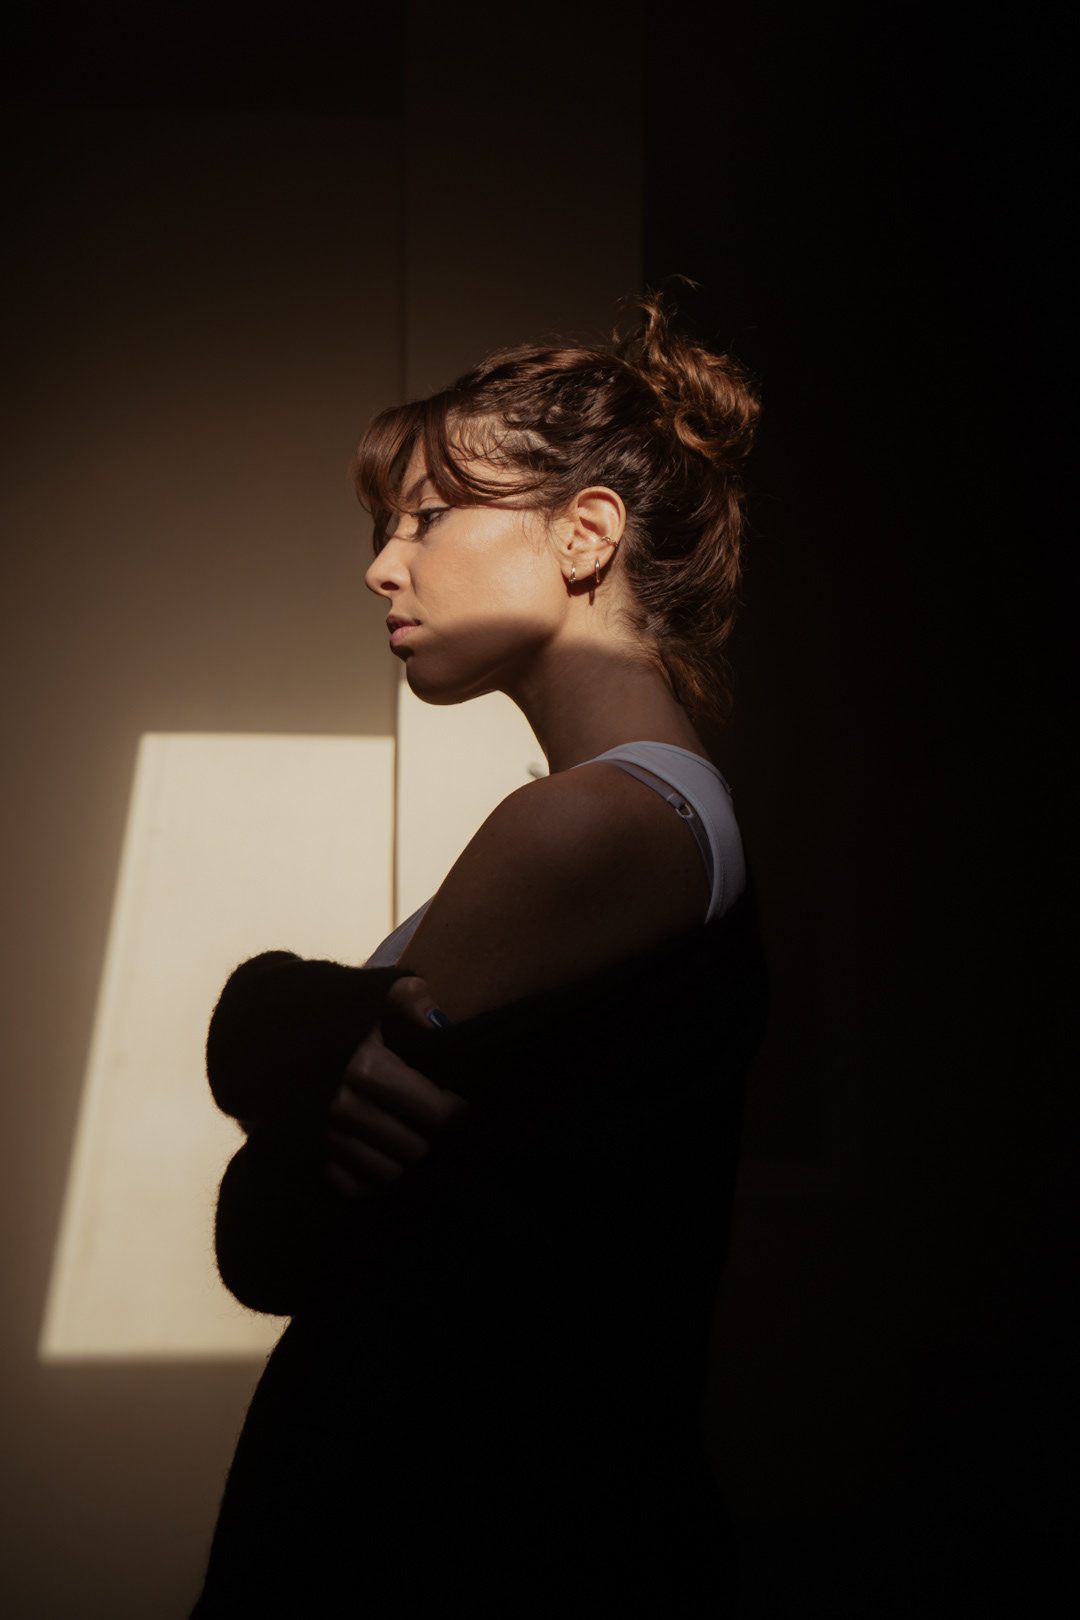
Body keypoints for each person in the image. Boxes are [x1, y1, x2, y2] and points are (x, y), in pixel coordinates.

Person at [191, 289, 769, 1617]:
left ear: (586, 535)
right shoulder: (650, 813)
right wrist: (296, 1036)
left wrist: (269, 1023)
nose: (382, 567)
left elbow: (277, 1239)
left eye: (427, 517)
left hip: (441, 1540)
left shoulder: (587, 825)